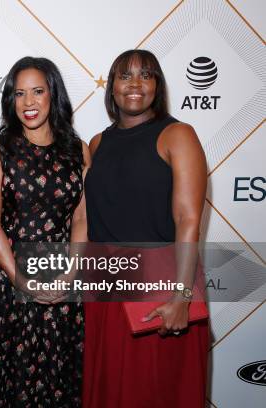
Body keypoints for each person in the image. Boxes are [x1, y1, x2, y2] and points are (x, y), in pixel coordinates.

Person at [0, 56, 90, 407]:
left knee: (58, 381)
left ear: (53, 95)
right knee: (9, 385)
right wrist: (22, 279)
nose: (28, 103)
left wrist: (71, 274)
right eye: (19, 94)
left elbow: (81, 217)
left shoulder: (79, 151)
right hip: (8, 282)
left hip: (62, 279)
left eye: (37, 91)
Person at [82, 49, 209, 408]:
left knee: (155, 392)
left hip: (160, 286)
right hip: (104, 286)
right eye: (125, 76)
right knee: (109, 391)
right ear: (112, 88)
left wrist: (182, 296)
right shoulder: (97, 143)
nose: (135, 83)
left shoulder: (177, 135)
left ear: (157, 85)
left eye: (146, 74)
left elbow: (188, 220)